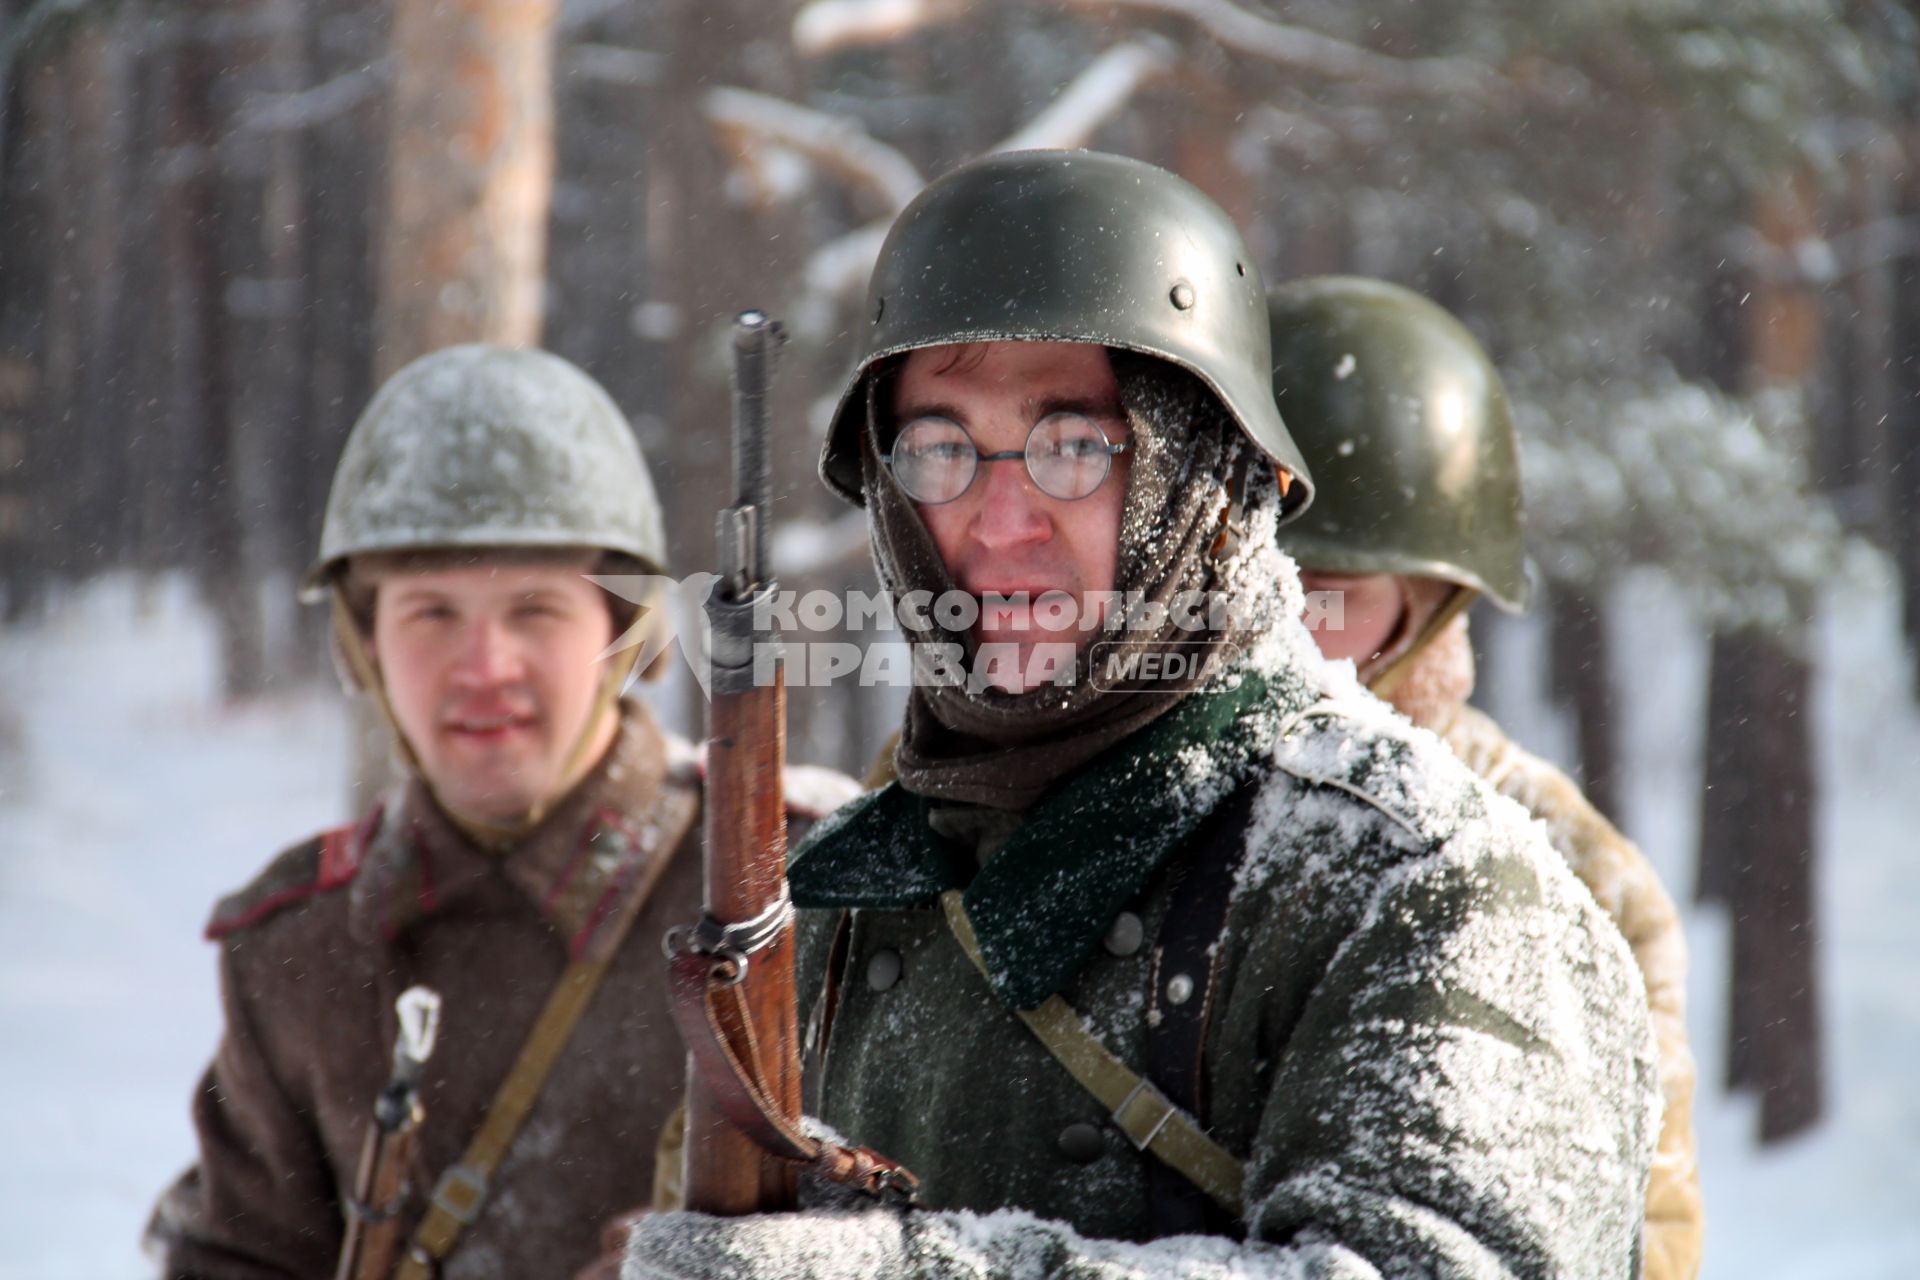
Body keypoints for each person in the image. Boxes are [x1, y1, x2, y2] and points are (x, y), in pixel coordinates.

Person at [618, 150, 1660, 1278]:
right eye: (940, 447)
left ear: (1208, 474)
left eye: (1073, 444)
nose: (998, 517)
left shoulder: (1425, 884)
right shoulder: (832, 901)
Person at [145, 345, 854, 1279]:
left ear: (621, 631)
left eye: (534, 609)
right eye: (432, 613)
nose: (485, 667)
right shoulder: (298, 950)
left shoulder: (800, 890)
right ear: (366, 648)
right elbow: (238, 1257)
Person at [1268, 275, 1703, 1280]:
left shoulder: (1571, 872)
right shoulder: (1048, 782)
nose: (1280, 627)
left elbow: (1645, 1237)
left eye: (1328, 594)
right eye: (1248, 575)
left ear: (1436, 598)